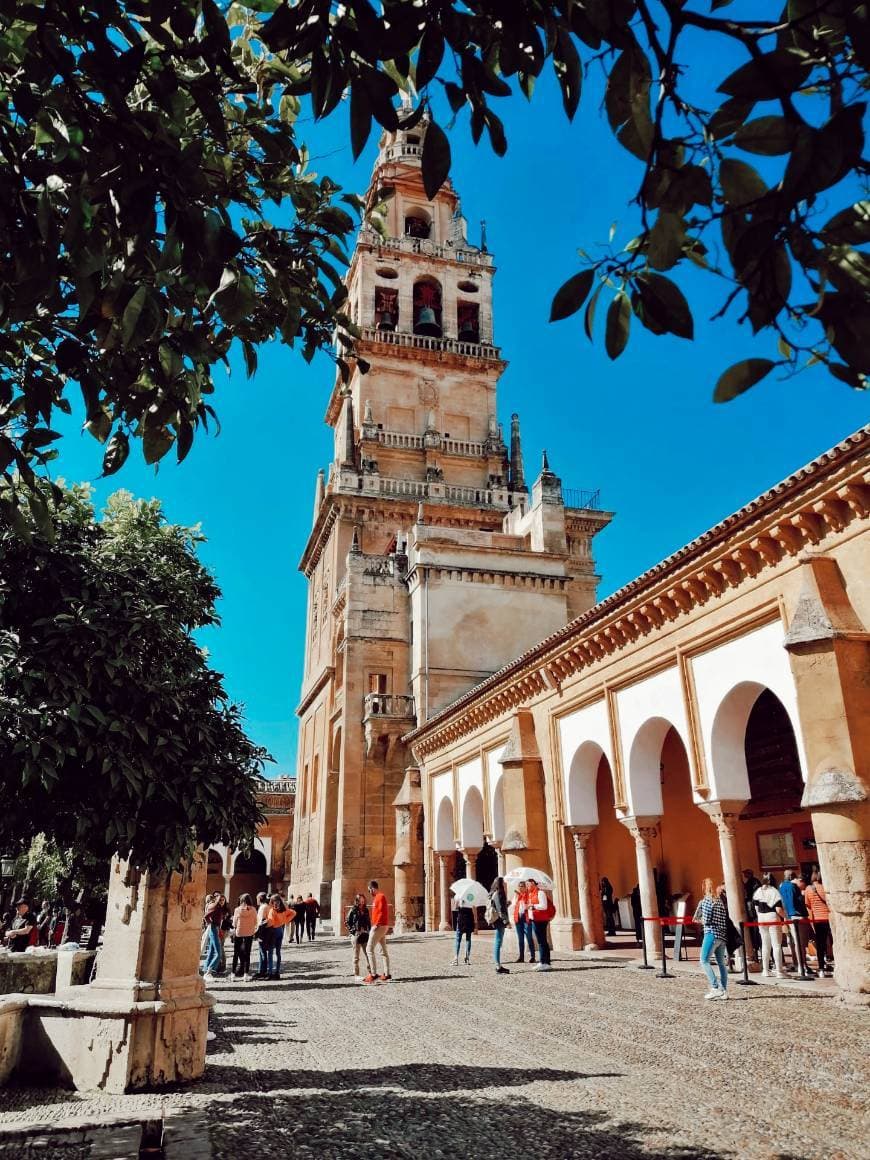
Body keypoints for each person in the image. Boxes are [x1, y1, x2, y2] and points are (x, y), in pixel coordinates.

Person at [693, 879, 729, 1000]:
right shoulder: (720, 901)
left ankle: (715, 987)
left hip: (711, 934)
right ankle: (724, 990)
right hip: (722, 936)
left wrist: (699, 920)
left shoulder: (707, 901)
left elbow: (706, 919)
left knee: (704, 960)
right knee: (721, 964)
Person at [753, 873, 786, 978]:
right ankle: (779, 971)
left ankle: (765, 970)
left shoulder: (758, 891)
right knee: (776, 945)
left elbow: (756, 908)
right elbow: (778, 909)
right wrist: (785, 917)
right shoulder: (774, 892)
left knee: (765, 945)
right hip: (772, 916)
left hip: (761, 917)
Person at [804, 871, 833, 977]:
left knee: (820, 944)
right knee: (833, 941)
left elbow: (808, 905)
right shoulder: (825, 887)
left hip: (817, 919)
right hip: (829, 917)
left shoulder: (808, 889)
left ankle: (821, 968)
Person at [779, 869, 809, 972]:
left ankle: (797, 963)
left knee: (792, 941)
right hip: (796, 915)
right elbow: (798, 901)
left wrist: (785, 915)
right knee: (799, 942)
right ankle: (802, 965)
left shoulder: (781, 886)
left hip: (787, 915)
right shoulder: (793, 887)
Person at [363, 879, 391, 984]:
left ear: (372, 888)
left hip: (379, 926)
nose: (369, 893)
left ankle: (373, 974)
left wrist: (376, 925)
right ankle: (387, 973)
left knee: (369, 949)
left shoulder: (380, 897)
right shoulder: (378, 897)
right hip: (381, 926)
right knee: (383, 951)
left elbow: (381, 912)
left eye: (369, 890)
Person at [526, 877, 555, 972]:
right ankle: (542, 962)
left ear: (533, 884)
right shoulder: (531, 894)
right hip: (535, 919)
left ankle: (546, 963)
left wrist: (532, 906)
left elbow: (544, 906)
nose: (527, 886)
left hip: (541, 920)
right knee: (540, 941)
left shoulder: (540, 893)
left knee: (542, 941)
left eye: (528, 884)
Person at [231, 892, 257, 979]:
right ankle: (246, 974)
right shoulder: (253, 910)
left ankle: (233, 974)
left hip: (239, 933)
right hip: (249, 933)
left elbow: (234, 923)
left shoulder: (237, 910)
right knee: (247, 954)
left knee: (236, 953)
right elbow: (255, 922)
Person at [346, 893, 372, 979]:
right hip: (356, 935)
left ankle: (371, 973)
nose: (363, 900)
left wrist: (369, 930)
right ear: (357, 900)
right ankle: (356, 974)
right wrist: (353, 931)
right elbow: (347, 922)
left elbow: (368, 922)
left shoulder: (366, 910)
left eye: (363, 899)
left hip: (365, 934)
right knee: (356, 956)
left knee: (368, 954)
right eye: (361, 899)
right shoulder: (353, 910)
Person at [488, 876, 510, 975]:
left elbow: (499, 906)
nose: (505, 884)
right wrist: (506, 922)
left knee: (498, 942)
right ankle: (498, 966)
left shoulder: (493, 893)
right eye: (504, 882)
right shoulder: (499, 893)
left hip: (497, 920)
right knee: (498, 942)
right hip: (499, 921)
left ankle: (498, 964)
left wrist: (507, 904)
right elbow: (500, 910)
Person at [269, 894, 295, 979]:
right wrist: (284, 920)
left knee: (270, 952)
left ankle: (270, 972)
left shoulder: (272, 910)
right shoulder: (283, 910)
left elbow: (271, 922)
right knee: (278, 952)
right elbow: (293, 913)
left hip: (273, 931)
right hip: (280, 930)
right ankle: (277, 972)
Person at [201, 892, 224, 983]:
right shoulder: (215, 906)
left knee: (211, 950)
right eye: (220, 900)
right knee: (218, 953)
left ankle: (206, 969)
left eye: (223, 900)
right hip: (214, 928)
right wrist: (210, 924)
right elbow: (206, 916)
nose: (222, 901)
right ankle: (208, 972)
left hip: (216, 928)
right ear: (217, 899)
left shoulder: (219, 907)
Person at [512, 881, 536, 964]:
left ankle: (533, 956)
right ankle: (521, 957)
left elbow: (528, 904)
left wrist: (520, 895)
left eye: (522, 886)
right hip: (518, 918)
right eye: (519, 886)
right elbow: (514, 905)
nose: (520, 887)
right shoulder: (517, 895)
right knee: (520, 938)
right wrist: (516, 897)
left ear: (526, 887)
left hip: (526, 918)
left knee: (529, 937)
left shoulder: (528, 895)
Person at [253, 891, 275, 980]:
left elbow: (261, 922)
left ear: (259, 899)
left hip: (264, 931)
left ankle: (262, 971)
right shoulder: (269, 906)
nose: (256, 900)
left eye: (257, 898)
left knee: (262, 952)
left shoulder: (263, 907)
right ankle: (263, 970)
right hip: (270, 930)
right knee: (266, 952)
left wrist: (257, 934)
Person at [742, 869, 762, 962]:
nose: (744, 875)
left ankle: (757, 952)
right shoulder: (751, 882)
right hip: (752, 910)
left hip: (753, 911)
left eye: (746, 873)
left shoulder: (754, 882)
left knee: (756, 933)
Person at [452, 895, 474, 966]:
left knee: (458, 939)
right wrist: (476, 922)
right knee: (468, 939)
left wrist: (458, 903)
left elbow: (455, 908)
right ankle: (467, 959)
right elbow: (474, 909)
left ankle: (456, 959)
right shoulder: (471, 896)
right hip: (469, 918)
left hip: (461, 918)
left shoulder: (457, 896)